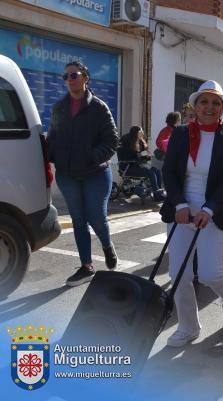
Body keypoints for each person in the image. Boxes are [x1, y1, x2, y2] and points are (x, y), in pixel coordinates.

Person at [160, 80, 223, 347]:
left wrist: (208, 209)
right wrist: (180, 205)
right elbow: (168, 173)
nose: (209, 107)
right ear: (195, 106)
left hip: (212, 213)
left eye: (215, 102)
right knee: (178, 274)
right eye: (204, 101)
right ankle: (188, 326)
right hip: (180, 211)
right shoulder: (181, 134)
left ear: (221, 109)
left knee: (209, 273)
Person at [47, 61, 119, 286]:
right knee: (78, 220)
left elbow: (112, 140)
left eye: (74, 75)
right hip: (67, 175)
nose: (69, 79)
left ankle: (107, 245)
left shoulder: (98, 107)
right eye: (66, 76)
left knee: (96, 217)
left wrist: (92, 156)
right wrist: (48, 155)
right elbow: (53, 136)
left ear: (85, 78)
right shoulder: (59, 107)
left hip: (95, 173)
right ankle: (87, 266)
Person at [117, 126, 165, 202]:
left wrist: (146, 156)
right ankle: (156, 195)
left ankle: (158, 193)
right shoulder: (127, 141)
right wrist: (139, 158)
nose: (142, 133)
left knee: (156, 170)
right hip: (128, 167)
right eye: (141, 132)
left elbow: (142, 153)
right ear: (136, 133)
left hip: (137, 165)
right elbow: (128, 157)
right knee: (151, 173)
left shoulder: (139, 141)